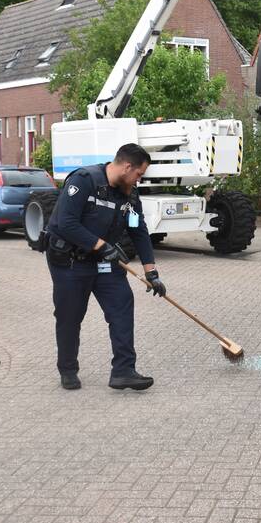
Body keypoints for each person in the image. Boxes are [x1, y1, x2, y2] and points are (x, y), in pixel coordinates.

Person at [43, 143, 167, 391]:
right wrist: (101, 245)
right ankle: (67, 369)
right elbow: (66, 223)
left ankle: (124, 371)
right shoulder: (84, 180)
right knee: (70, 316)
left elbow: (138, 230)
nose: (139, 180)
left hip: (104, 262)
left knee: (122, 306)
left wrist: (151, 272)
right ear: (127, 166)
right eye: (139, 174)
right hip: (70, 261)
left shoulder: (129, 193)